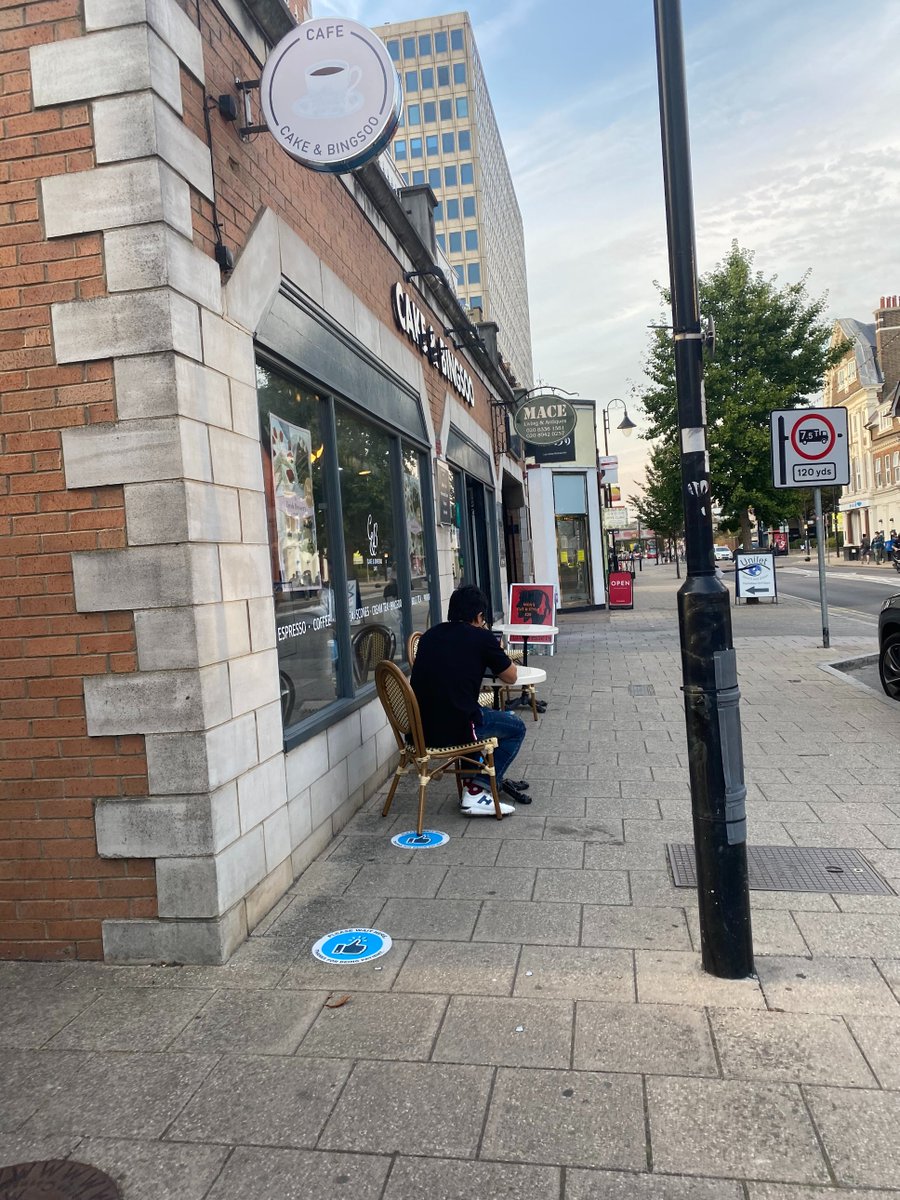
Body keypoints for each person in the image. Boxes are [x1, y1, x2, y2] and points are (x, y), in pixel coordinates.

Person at [411, 584, 530, 814]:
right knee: (516, 727)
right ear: (479, 616)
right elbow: (511, 676)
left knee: (468, 709)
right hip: (456, 729)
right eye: (483, 619)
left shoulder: (429, 636)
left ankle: (472, 780)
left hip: (420, 730)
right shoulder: (481, 637)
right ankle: (477, 790)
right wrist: (495, 648)